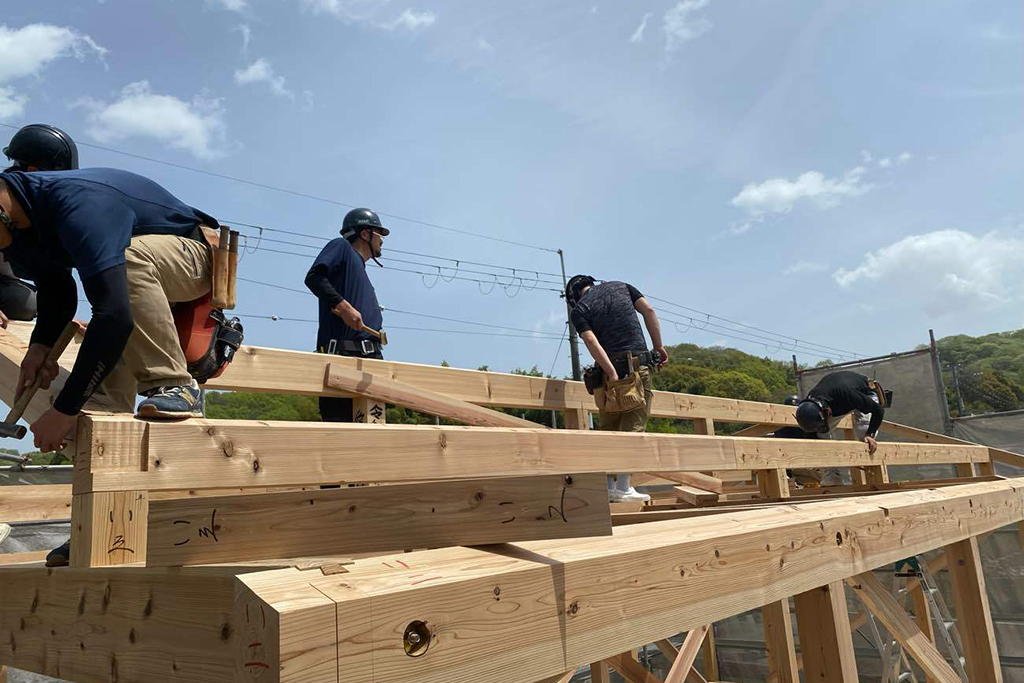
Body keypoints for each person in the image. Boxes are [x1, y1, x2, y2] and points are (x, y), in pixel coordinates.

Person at [0, 168, 219, 566]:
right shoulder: (18, 230)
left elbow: (115, 315)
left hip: (197, 252)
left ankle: (175, 384)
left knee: (129, 264)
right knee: (101, 408)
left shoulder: (79, 205)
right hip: (134, 278)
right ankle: (103, 524)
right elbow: (58, 290)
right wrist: (40, 347)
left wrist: (63, 411)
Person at [566, 274, 667, 503]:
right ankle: (624, 487)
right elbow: (649, 311)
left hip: (605, 372)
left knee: (608, 427)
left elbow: (592, 342)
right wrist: (658, 347)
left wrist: (610, 372)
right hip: (636, 366)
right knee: (633, 426)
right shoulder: (622, 286)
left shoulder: (579, 310)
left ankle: (609, 487)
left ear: (573, 297)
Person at [304, 208, 388, 422]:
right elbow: (314, 278)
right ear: (365, 234)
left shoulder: (359, 270)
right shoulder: (341, 247)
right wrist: (344, 307)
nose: (383, 240)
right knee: (344, 440)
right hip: (344, 360)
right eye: (380, 233)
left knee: (372, 440)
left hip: (369, 362)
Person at [0, 124, 80, 327]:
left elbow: (57, 285)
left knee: (25, 301)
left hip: (8, 291)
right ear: (34, 172)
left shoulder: (50, 217)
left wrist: (62, 324)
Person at [794, 370, 887, 485]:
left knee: (863, 434)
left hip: (863, 392)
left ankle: (874, 478)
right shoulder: (810, 406)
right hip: (837, 399)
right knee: (821, 435)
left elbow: (878, 410)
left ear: (826, 411)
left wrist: (870, 434)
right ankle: (833, 477)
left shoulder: (847, 394)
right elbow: (813, 433)